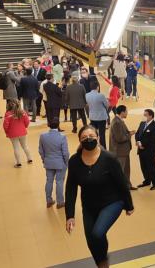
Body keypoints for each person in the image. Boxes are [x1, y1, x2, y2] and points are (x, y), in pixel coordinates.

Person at [65, 125, 134, 268]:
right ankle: (101, 263)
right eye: (84, 138)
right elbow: (71, 189)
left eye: (91, 136)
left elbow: (121, 183)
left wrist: (129, 205)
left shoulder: (109, 159)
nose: (88, 139)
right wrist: (70, 215)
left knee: (97, 234)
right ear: (79, 141)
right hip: (89, 206)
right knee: (91, 241)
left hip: (112, 202)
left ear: (98, 138)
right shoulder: (75, 161)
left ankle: (103, 263)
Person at [39, 119, 69, 209]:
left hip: (48, 162)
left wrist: (44, 159)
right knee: (59, 182)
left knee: (49, 181)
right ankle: (60, 202)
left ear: (48, 125)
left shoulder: (43, 136)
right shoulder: (62, 137)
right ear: (58, 125)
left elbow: (41, 150)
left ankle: (49, 201)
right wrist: (66, 162)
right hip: (60, 163)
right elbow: (65, 153)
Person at [109, 105, 137, 190]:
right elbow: (120, 138)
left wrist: (128, 132)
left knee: (126, 170)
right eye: (126, 111)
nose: (127, 113)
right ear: (122, 112)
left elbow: (122, 133)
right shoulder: (117, 122)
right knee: (120, 171)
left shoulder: (119, 120)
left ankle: (127, 185)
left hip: (123, 151)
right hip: (119, 151)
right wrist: (130, 134)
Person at [135, 109, 155, 190]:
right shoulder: (142, 123)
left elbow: (151, 139)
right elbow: (137, 133)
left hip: (150, 150)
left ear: (151, 116)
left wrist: (142, 144)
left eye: (146, 115)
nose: (144, 116)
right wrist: (138, 142)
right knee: (143, 166)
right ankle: (147, 180)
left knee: (151, 166)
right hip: (141, 149)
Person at [3, 99, 33, 168]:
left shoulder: (8, 114)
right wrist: (24, 127)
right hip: (22, 132)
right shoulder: (23, 112)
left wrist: (7, 131)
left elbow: (5, 125)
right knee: (25, 146)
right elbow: (27, 122)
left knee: (16, 147)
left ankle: (19, 163)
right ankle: (30, 159)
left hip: (12, 133)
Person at [86, 81, 109, 148]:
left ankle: (93, 147)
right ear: (97, 87)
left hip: (92, 117)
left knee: (93, 134)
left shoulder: (87, 95)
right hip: (101, 117)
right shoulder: (101, 95)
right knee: (102, 135)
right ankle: (103, 148)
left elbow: (87, 105)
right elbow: (107, 105)